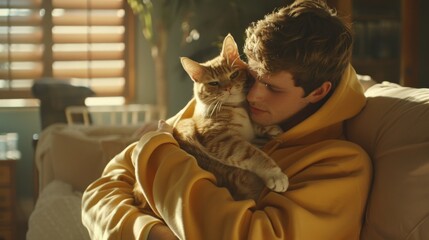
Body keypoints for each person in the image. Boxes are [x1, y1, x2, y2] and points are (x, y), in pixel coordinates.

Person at [81, 0, 372, 239]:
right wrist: (146, 232)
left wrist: (163, 154)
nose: (252, 94)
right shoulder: (226, 100)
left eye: (271, 87)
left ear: (318, 92)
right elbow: (99, 190)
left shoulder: (340, 165)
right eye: (252, 76)